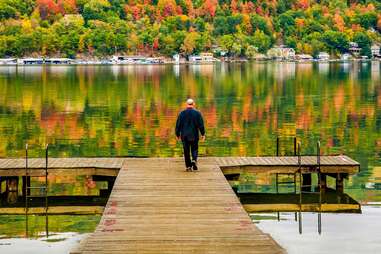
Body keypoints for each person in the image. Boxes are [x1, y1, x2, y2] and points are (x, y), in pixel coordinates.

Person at [175, 98, 205, 171]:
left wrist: (177, 134)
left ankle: (188, 166)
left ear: (186, 104)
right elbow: (201, 125)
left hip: (184, 135)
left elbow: (178, 125)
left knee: (186, 151)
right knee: (194, 149)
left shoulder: (182, 113)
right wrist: (203, 134)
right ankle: (194, 160)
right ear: (193, 104)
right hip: (194, 135)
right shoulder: (197, 113)